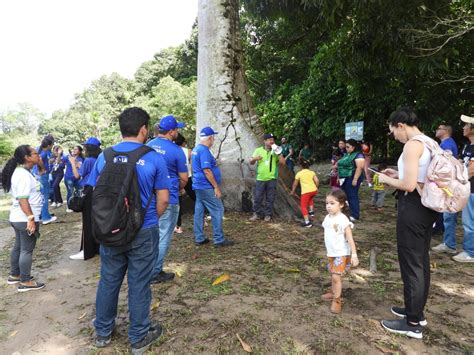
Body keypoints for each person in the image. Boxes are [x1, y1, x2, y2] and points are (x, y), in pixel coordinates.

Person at [89, 107, 170, 352]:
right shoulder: (154, 157)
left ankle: (103, 332)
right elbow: (164, 199)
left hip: (111, 230)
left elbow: (96, 193)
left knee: (109, 280)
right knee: (139, 282)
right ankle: (138, 336)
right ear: (144, 129)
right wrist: (145, 221)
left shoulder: (105, 156)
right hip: (143, 231)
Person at [377, 107, 438, 339]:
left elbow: (410, 185)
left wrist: (384, 179)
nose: (395, 137)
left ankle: (412, 323)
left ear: (400, 125)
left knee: (411, 263)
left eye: (394, 132)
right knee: (420, 259)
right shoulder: (430, 142)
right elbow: (417, 177)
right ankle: (416, 311)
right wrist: (396, 174)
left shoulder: (412, 145)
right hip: (426, 208)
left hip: (413, 207)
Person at [147, 115, 188, 283]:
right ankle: (155, 272)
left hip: (149, 199)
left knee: (151, 235)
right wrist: (174, 188)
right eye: (177, 129)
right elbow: (184, 178)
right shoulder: (177, 151)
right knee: (163, 236)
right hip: (169, 199)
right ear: (172, 132)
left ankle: (146, 268)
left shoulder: (148, 146)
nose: (178, 131)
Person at [2, 145, 46, 292]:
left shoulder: (23, 172)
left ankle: (15, 274)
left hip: (18, 218)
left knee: (19, 247)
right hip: (24, 218)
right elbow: (23, 199)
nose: (38, 154)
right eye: (35, 153)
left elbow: (42, 170)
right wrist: (31, 218)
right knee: (26, 250)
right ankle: (25, 281)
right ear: (27, 157)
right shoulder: (23, 175)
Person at [192, 127, 234, 247]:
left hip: (198, 186)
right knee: (218, 209)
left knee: (199, 211)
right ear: (210, 138)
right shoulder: (204, 150)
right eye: (213, 138)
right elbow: (207, 171)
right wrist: (216, 186)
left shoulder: (196, 149)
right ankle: (219, 239)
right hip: (206, 186)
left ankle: (199, 237)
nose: (213, 140)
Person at [321, 189, 359, 314]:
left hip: (341, 253)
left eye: (332, 203)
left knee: (336, 277)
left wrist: (354, 255)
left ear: (341, 204)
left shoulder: (343, 220)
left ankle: (337, 300)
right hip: (331, 253)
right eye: (327, 203)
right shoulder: (327, 218)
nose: (328, 206)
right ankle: (333, 292)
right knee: (333, 274)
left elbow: (350, 238)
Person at [68, 138, 102, 260]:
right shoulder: (99, 159)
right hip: (97, 191)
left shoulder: (88, 160)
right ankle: (97, 247)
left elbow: (77, 176)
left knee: (87, 222)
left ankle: (86, 251)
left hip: (88, 190)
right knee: (95, 220)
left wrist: (72, 163)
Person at [450, 115, 474, 263]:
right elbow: (460, 163)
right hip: (467, 188)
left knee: (469, 222)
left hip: (471, 190)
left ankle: (470, 252)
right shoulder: (467, 146)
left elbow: (471, 171)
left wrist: (457, 179)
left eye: (466, 125)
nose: (463, 127)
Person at [249, 133, 286, 222]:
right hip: (260, 178)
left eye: (272, 139)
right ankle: (257, 214)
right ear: (265, 141)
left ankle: (267, 214)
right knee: (258, 197)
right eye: (269, 139)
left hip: (271, 179)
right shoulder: (258, 150)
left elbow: (283, 162)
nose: (271, 141)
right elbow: (251, 162)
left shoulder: (275, 151)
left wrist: (278, 152)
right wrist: (255, 159)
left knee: (270, 197)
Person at [432, 124, 459, 235]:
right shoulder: (445, 143)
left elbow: (444, 163)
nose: (436, 130)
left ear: (446, 131)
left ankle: (439, 227)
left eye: (439, 129)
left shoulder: (447, 144)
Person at [337, 139, 365, 221]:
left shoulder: (359, 155)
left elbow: (359, 168)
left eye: (348, 147)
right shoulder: (348, 154)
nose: (346, 148)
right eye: (346, 147)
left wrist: (355, 179)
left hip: (352, 177)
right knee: (344, 195)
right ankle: (346, 212)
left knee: (352, 195)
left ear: (353, 147)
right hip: (344, 177)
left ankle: (355, 214)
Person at [174, 133, 196, 234]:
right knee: (196, 198)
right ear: (183, 143)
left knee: (178, 202)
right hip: (188, 177)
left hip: (177, 178)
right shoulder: (188, 151)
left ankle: (178, 226)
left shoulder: (172, 150)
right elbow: (192, 166)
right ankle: (201, 219)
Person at [290, 158, 319, 228]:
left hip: (306, 192)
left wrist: (292, 191)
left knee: (303, 207)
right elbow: (317, 181)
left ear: (300, 166)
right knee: (310, 199)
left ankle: (307, 222)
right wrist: (316, 187)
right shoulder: (312, 172)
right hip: (314, 190)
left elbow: (295, 184)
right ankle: (311, 212)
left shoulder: (299, 174)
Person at [37, 137, 57, 225]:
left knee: (43, 196)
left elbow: (44, 160)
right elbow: (39, 160)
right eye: (52, 144)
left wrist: (50, 161)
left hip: (43, 176)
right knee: (45, 197)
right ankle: (45, 218)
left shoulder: (44, 152)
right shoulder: (43, 153)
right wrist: (43, 169)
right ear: (49, 145)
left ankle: (43, 214)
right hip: (43, 177)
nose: (53, 146)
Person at [63, 145, 84, 213]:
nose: (74, 150)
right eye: (73, 149)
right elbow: (61, 161)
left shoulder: (81, 159)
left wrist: (75, 161)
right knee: (70, 191)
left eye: (76, 149)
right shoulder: (68, 157)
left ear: (80, 151)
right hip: (69, 178)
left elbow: (81, 168)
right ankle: (69, 206)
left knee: (79, 191)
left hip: (77, 178)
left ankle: (77, 204)